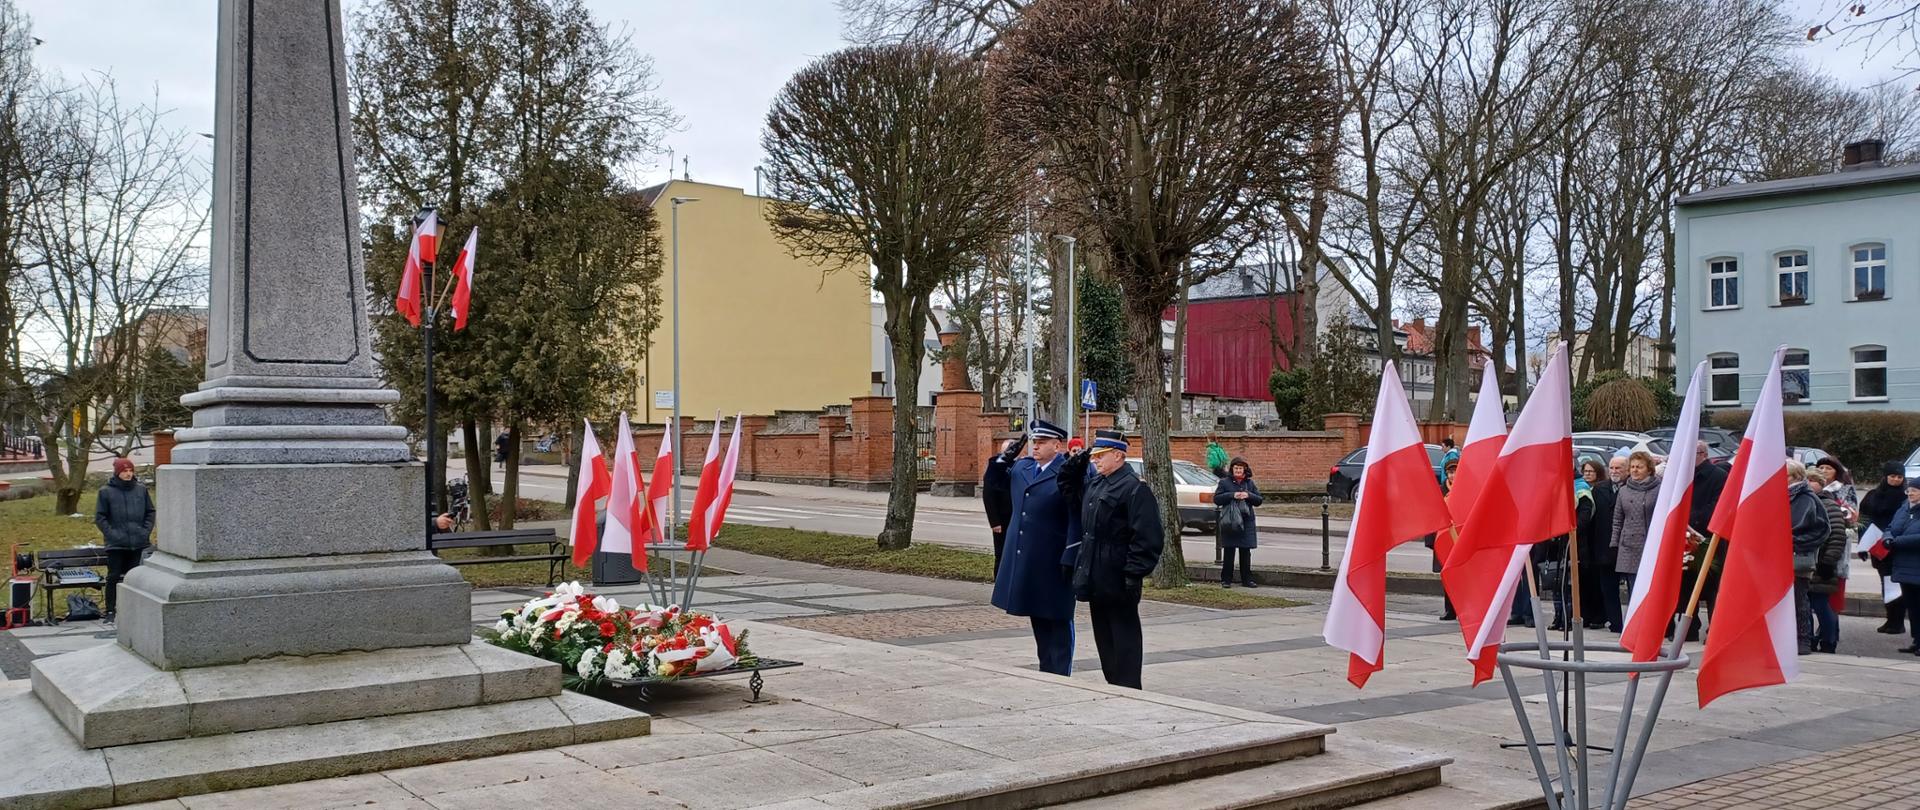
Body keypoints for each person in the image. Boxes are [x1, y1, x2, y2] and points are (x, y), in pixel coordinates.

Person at [1064, 430, 1165, 689]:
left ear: (1118, 456)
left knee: (1124, 635)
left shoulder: (1134, 488)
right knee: (1104, 636)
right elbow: (1069, 492)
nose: (1095, 460)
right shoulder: (1097, 484)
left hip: (1119, 576)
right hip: (1095, 573)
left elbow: (1147, 537)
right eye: (1094, 455)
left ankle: (1129, 686)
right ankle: (1113, 683)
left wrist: (1133, 573)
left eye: (1100, 455)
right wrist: (1073, 466)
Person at [985, 419, 1082, 676]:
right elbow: (993, 482)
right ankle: (1045, 668)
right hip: (1028, 557)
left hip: (1054, 559)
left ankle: (1061, 672)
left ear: (1057, 445)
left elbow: (1076, 513)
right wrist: (1003, 457)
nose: (1035, 447)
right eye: (1034, 442)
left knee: (1058, 618)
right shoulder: (1024, 468)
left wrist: (1071, 554)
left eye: (1041, 443)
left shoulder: (1067, 471)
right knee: (1037, 616)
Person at [95, 457, 156, 622]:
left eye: (130, 471)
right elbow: (100, 517)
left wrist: (144, 532)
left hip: (138, 542)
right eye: (124, 471)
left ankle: (134, 610)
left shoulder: (140, 490)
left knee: (135, 577)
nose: (128, 474)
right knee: (113, 576)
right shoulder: (106, 492)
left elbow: (150, 512)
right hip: (116, 544)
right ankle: (110, 611)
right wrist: (112, 535)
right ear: (117, 473)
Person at [1785, 460, 1831, 656]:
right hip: (1780, 557)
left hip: (1797, 559)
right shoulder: (1784, 495)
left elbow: (1823, 530)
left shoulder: (1806, 498)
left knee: (1798, 600)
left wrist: (1793, 541)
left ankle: (1803, 640)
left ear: (1794, 477)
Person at [1611, 451, 1661, 621]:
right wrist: (1615, 543)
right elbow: (1618, 518)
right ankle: (1633, 623)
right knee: (1633, 587)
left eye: (1639, 467)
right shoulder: (1624, 490)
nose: (1635, 470)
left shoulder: (1659, 488)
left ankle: (1652, 622)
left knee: (1651, 587)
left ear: (1649, 469)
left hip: (1650, 545)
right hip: (1629, 546)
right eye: (1632, 467)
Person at [1859, 462, 1909, 634]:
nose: (1895, 480)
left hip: (1895, 546)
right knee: (1885, 582)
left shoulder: (1905, 497)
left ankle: (1897, 621)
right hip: (1876, 545)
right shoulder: (1873, 495)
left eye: (1899, 477)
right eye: (1892, 476)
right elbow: (1863, 519)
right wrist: (1862, 544)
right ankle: (1890, 619)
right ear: (1885, 477)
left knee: (1895, 584)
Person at [1805, 470, 1851, 653]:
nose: (1809, 484)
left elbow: (1837, 537)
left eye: (1813, 480)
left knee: (1822, 605)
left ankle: (1829, 641)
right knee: (1805, 605)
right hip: (1807, 564)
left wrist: (1828, 562)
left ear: (1821, 484)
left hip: (1822, 564)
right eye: (1806, 480)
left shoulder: (1829, 505)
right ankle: (1808, 638)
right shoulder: (1806, 501)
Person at [1579, 458, 1622, 631]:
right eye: (1611, 467)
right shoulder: (1599, 490)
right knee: (1607, 588)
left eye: (1618, 467)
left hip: (1626, 546)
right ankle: (1615, 622)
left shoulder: (1628, 488)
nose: (1614, 471)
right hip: (1602, 546)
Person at [1883, 478, 1920, 654]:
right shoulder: (1904, 507)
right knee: (1912, 605)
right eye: (1909, 490)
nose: (1910, 493)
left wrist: (1896, 541)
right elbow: (1891, 527)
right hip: (1903, 565)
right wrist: (1887, 537)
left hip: (1916, 564)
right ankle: (1916, 640)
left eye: (1915, 490)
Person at [1214, 457, 1262, 588]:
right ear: (1232, 469)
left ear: (1245, 470)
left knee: (1245, 551)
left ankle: (1247, 579)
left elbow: (1259, 500)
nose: (1238, 470)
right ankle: (1226, 580)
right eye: (1236, 468)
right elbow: (1217, 499)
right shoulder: (1224, 482)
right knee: (1229, 551)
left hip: (1246, 521)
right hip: (1231, 520)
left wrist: (1248, 495)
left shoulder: (1250, 483)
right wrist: (1232, 495)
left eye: (1240, 468)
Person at [981, 437, 1025, 574]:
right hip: (1002, 520)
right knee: (1002, 554)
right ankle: (999, 583)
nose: (1010, 452)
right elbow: (988, 495)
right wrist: (994, 522)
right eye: (1007, 450)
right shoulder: (995, 467)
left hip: (1017, 517)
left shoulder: (1019, 465)